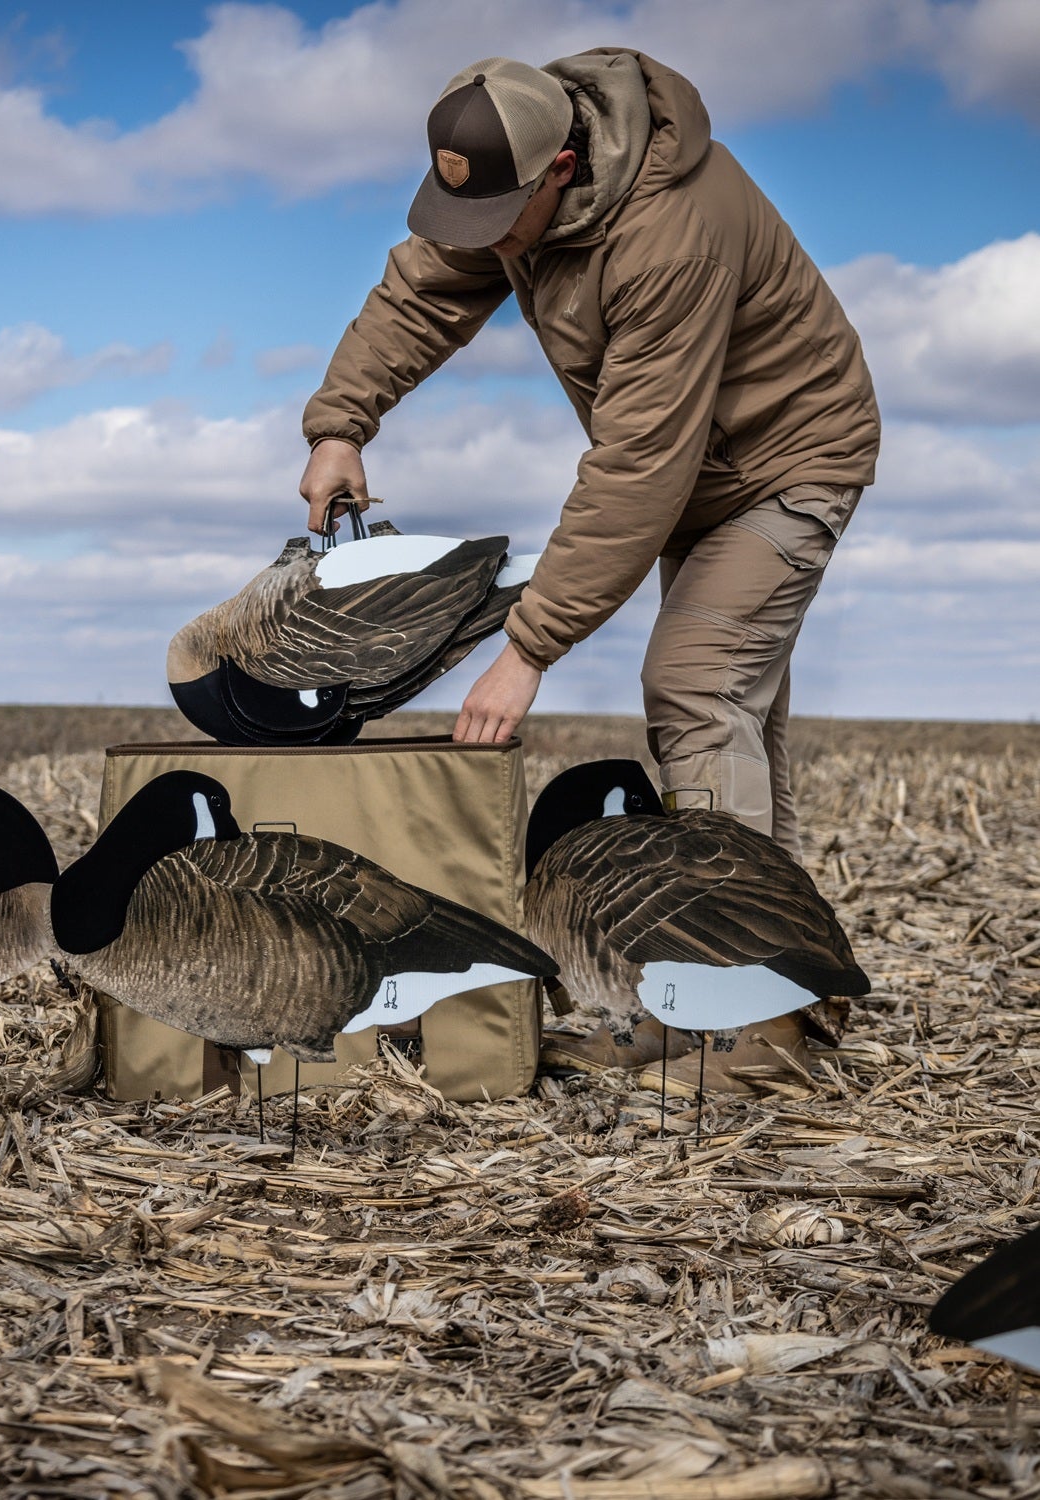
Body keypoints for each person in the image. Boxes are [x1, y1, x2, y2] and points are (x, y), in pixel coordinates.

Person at [298, 50, 879, 1089]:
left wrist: (528, 649)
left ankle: (748, 1038)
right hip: (699, 474)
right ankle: (758, 1006)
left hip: (781, 464)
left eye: (503, 219)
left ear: (562, 165)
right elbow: (423, 289)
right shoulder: (518, 188)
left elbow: (640, 464)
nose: (491, 242)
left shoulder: (670, 231)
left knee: (697, 688)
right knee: (739, 728)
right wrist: (340, 427)